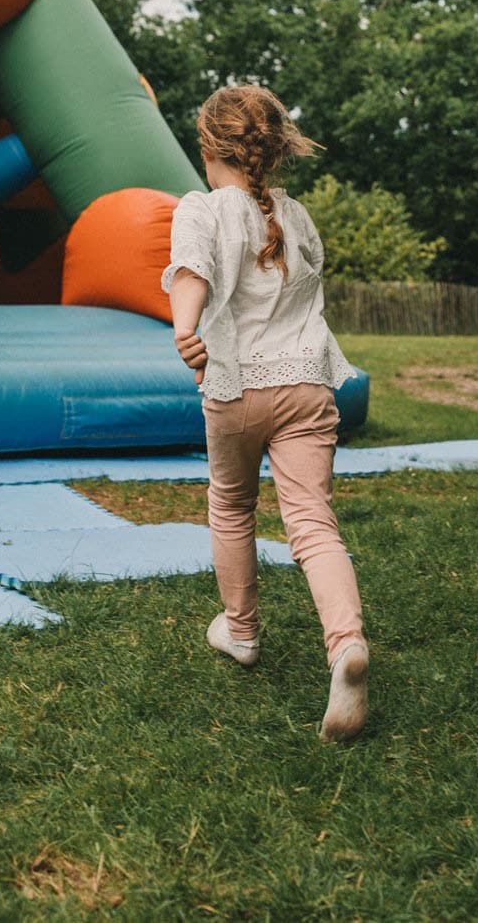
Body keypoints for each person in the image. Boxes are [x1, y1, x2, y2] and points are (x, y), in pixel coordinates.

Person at [161, 85, 369, 742]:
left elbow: (191, 270)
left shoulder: (201, 209)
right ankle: (346, 645)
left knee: (231, 502)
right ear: (272, 150)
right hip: (308, 384)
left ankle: (242, 632)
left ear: (206, 148)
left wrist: (185, 326)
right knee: (312, 521)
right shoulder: (298, 217)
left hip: (235, 388)